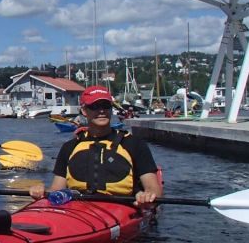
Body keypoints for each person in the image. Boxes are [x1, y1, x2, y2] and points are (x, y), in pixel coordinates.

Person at [29, 86, 162, 206]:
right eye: (95, 106)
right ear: (84, 111)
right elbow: (56, 189)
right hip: (79, 207)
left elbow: (153, 189)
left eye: (106, 105)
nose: (102, 111)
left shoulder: (134, 144)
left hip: (123, 206)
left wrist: (147, 195)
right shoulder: (69, 147)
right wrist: (41, 191)